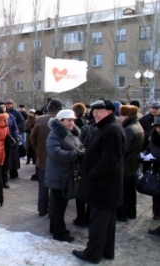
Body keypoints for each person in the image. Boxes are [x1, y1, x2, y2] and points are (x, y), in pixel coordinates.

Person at [73, 99, 125, 264]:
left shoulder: (111, 130)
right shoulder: (106, 127)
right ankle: (106, 251)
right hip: (105, 186)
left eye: (99, 111)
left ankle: (92, 254)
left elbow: (110, 160)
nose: (95, 114)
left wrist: (93, 174)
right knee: (106, 224)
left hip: (103, 186)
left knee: (98, 223)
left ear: (109, 111)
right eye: (94, 111)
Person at [45, 109, 83, 243]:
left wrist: (81, 151)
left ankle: (55, 228)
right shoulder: (55, 134)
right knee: (59, 205)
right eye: (69, 120)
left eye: (73, 120)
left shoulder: (71, 133)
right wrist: (76, 155)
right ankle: (59, 232)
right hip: (58, 175)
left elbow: (78, 146)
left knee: (59, 204)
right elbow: (55, 153)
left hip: (65, 174)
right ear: (61, 121)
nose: (72, 123)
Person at [31, 99, 62, 217]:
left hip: (42, 158)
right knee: (55, 187)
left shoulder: (40, 119)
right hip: (58, 160)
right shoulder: (62, 120)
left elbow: (32, 138)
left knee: (43, 186)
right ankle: (53, 211)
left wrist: (38, 151)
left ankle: (42, 209)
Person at [116, 105, 144, 222]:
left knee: (124, 192)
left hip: (126, 165)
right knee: (130, 191)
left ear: (126, 116)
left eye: (122, 115)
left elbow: (124, 148)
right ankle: (131, 212)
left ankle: (122, 214)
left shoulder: (129, 129)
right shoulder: (137, 126)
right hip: (132, 164)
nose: (120, 118)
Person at [0, 101, 19, 186]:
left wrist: (16, 138)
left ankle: (5, 180)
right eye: (1, 107)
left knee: (6, 162)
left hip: (8, 141)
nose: (3, 108)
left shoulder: (11, 117)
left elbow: (15, 128)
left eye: (4, 107)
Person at [143, 116, 160, 222]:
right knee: (156, 192)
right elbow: (148, 148)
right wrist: (143, 155)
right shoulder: (154, 138)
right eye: (157, 127)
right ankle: (157, 213)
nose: (158, 129)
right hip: (155, 168)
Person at [5, 99, 24, 179]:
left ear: (13, 104)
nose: (9, 105)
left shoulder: (16, 113)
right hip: (6, 136)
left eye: (10, 104)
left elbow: (22, 122)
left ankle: (14, 173)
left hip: (13, 136)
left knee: (14, 156)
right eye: (7, 104)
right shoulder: (4, 113)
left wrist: (17, 129)